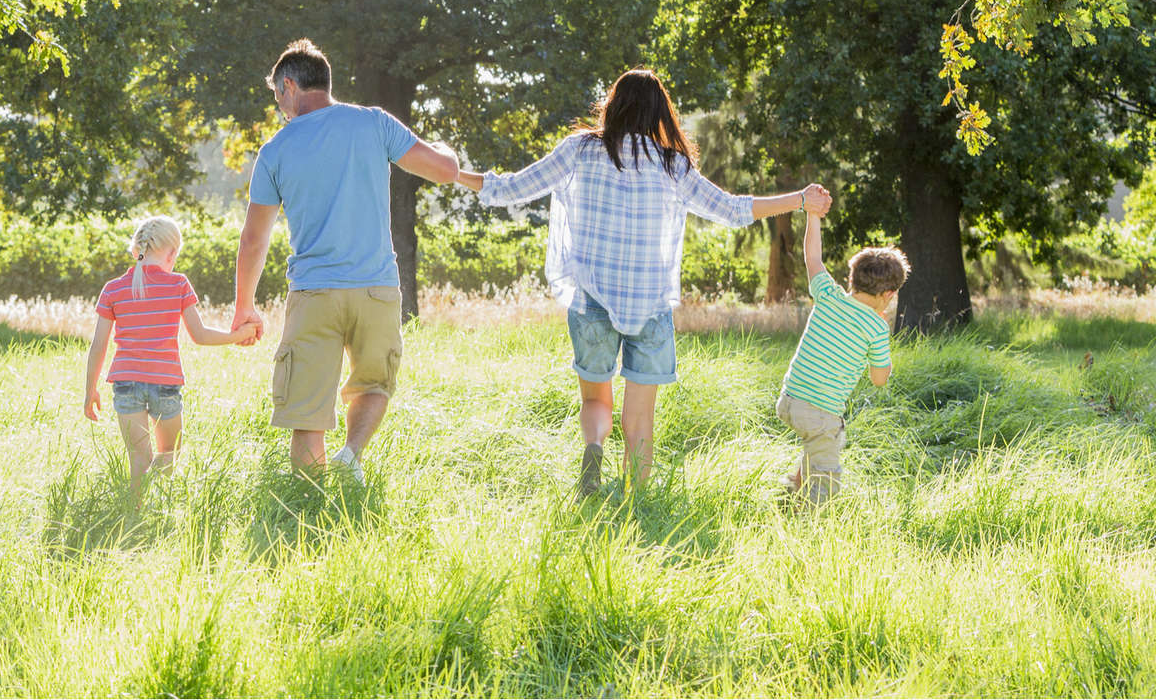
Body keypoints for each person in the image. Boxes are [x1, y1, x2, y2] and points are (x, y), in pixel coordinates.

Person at [454, 69, 831, 496]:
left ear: (613, 105)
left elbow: (513, 187)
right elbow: (732, 209)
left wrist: (455, 174)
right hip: (649, 306)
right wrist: (800, 199)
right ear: (660, 113)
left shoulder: (579, 149)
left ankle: (593, 448)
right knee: (640, 418)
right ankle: (636, 500)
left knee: (596, 401)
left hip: (591, 301)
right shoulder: (672, 165)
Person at [233, 39, 458, 484]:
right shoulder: (373, 123)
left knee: (305, 412)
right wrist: (449, 153)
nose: (279, 106)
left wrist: (245, 305)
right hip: (376, 289)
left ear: (291, 86)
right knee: (375, 385)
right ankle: (350, 455)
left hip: (314, 293)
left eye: (278, 96)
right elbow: (444, 170)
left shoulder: (276, 150)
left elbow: (255, 239)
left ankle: (309, 505)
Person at [83, 215, 258, 503]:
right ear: (172, 252)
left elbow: (98, 344)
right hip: (165, 384)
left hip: (125, 383)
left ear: (136, 249)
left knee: (139, 460)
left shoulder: (113, 289)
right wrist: (238, 335)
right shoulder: (178, 284)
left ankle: (135, 514)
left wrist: (90, 389)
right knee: (169, 455)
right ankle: (156, 508)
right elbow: (199, 335)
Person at [776, 211, 909, 504]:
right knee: (825, 476)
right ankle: (812, 528)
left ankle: (787, 497)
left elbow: (812, 257)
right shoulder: (875, 327)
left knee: (821, 445)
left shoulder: (829, 295)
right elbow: (879, 379)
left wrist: (813, 214)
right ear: (888, 294)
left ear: (851, 278)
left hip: (789, 400)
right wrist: (882, 347)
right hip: (821, 412)